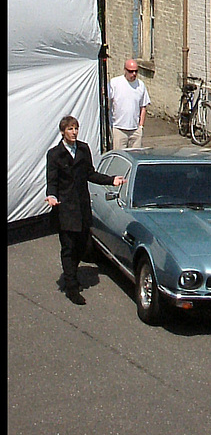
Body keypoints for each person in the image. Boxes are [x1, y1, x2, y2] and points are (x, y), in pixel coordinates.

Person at [45, 116, 126, 304]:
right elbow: (52, 180)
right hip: (65, 208)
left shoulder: (83, 149)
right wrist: (52, 196)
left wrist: (111, 180)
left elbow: (90, 173)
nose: (74, 132)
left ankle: (71, 273)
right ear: (63, 132)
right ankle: (71, 286)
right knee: (68, 247)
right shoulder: (55, 154)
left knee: (82, 246)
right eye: (70, 129)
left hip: (81, 207)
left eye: (76, 128)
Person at [109, 59, 151, 149]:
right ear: (125, 70)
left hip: (135, 130)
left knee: (135, 156)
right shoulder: (115, 83)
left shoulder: (140, 85)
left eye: (136, 71)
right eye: (131, 71)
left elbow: (143, 106)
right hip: (119, 128)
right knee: (120, 158)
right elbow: (107, 102)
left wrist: (140, 126)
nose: (134, 74)